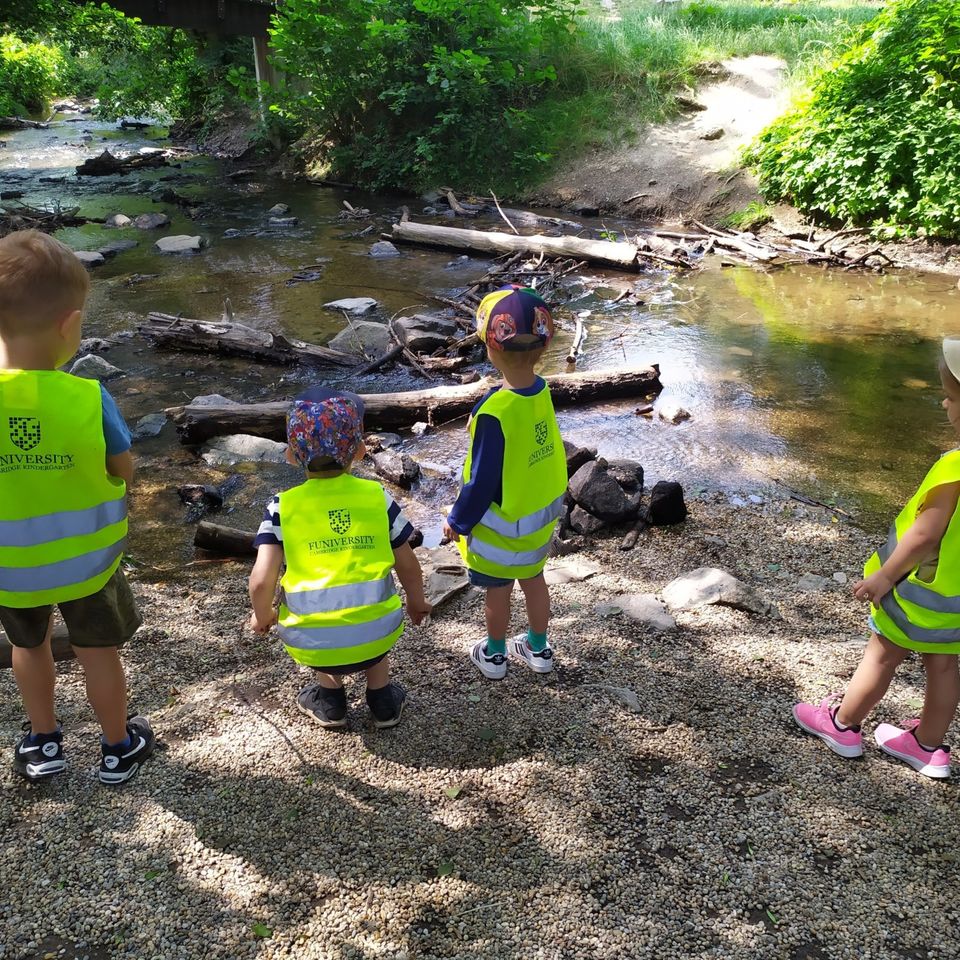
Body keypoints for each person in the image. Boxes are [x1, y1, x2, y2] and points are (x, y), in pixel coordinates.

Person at [0, 230, 153, 784]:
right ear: (69, 326)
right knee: (98, 652)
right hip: (89, 565)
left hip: (10, 570)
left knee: (29, 648)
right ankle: (118, 746)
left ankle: (43, 744)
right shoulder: (89, 396)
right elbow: (123, 468)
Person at [793, 336, 960, 779]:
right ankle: (927, 746)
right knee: (944, 665)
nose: (945, 406)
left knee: (883, 654)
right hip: (958, 604)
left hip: (920, 593)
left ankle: (842, 725)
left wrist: (886, 576)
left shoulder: (953, 469)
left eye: (950, 397)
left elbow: (925, 536)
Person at [249, 388, 430, 729]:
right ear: (361, 451)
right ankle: (383, 700)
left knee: (318, 604)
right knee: (370, 599)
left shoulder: (281, 507)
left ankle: (330, 700)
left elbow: (261, 580)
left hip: (311, 642)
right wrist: (417, 603)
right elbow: (408, 565)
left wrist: (263, 616)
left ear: (290, 455)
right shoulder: (377, 497)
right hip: (379, 633)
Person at [443, 285, 567, 680]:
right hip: (539, 523)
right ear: (544, 349)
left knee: (498, 591)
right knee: (534, 581)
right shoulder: (542, 391)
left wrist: (458, 521)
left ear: (490, 349)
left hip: (501, 531)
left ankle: (495, 655)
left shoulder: (494, 412)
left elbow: (481, 483)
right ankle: (538, 648)